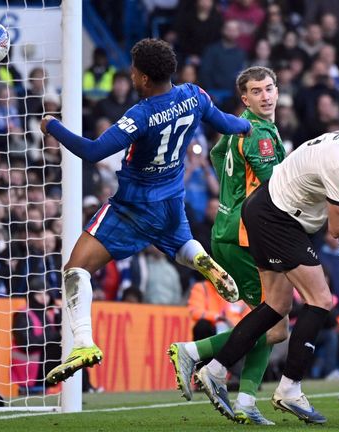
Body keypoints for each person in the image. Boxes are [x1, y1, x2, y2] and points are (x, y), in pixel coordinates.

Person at [39, 38, 251, 384]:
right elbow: (226, 123)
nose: (132, 75)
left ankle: (83, 342)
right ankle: (200, 257)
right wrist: (248, 126)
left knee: (76, 268)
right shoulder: (194, 95)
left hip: (133, 206)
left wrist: (53, 127)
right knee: (181, 244)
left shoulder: (141, 114)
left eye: (134, 71)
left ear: (143, 78)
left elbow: (93, 152)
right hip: (171, 198)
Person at [195, 115, 339, 425]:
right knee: (321, 299)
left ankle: (213, 371)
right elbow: (337, 228)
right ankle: (290, 387)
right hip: (278, 219)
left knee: (277, 305)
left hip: (264, 208)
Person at [167, 66, 288, 425]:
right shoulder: (260, 134)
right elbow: (276, 188)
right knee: (274, 322)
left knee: (268, 320)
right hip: (246, 236)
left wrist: (231, 196)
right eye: (257, 91)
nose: (265, 96)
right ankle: (195, 353)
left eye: (269, 88)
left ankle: (247, 399)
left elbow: (219, 157)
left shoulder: (239, 128)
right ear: (245, 98)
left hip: (229, 229)